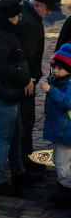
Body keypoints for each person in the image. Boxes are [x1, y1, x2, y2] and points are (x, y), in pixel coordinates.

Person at [0, 0, 42, 197]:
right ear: (10, 17)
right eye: (17, 15)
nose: (20, 18)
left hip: (3, 90)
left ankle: (18, 171)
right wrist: (24, 79)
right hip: (1, 91)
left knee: (14, 132)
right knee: (4, 136)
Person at [16, 0, 60, 172]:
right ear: (37, 5)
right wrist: (29, 78)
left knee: (21, 119)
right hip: (24, 80)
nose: (49, 12)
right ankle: (23, 161)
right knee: (25, 120)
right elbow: (25, 56)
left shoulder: (26, 15)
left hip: (23, 78)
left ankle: (20, 158)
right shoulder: (29, 23)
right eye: (47, 8)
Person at [42, 44, 71, 207]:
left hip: (66, 133)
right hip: (62, 131)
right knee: (61, 160)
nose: (56, 71)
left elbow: (67, 102)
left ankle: (66, 190)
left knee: (61, 162)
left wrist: (51, 90)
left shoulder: (66, 85)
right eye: (54, 67)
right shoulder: (58, 83)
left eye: (61, 68)